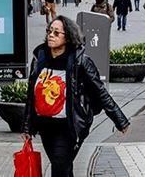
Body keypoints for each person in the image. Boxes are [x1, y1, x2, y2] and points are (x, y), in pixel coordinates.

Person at [22, 16, 129, 177]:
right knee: (63, 167)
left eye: (57, 33)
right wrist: (27, 126)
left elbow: (100, 92)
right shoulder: (40, 57)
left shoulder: (80, 62)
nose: (51, 35)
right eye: (49, 31)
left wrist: (119, 120)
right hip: (45, 126)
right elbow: (32, 94)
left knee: (59, 165)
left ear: (68, 37)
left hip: (70, 126)